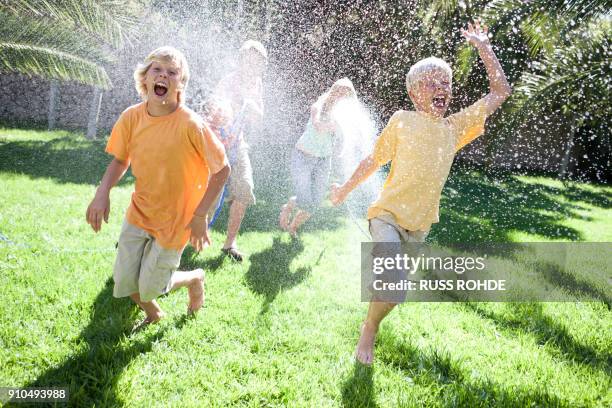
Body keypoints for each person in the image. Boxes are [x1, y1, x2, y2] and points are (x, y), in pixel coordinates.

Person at [330, 21, 511, 364]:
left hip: (420, 225)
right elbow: (373, 159)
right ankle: (368, 333)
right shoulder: (402, 120)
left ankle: (371, 323)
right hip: (385, 216)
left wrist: (484, 48)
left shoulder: (455, 128)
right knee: (391, 284)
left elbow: (500, 92)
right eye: (430, 83)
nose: (439, 87)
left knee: (393, 295)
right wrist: (343, 189)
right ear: (414, 94)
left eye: (445, 82)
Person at [85, 46, 230, 328]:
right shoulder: (131, 117)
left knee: (152, 285)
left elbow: (223, 170)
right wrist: (102, 193)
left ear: (180, 84)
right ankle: (154, 313)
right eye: (157, 70)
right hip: (140, 212)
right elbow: (120, 160)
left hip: (176, 220)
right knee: (125, 281)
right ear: (145, 78)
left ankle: (194, 278)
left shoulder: (191, 124)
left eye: (172, 72)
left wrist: (199, 216)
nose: (163, 75)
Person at [210, 40, 267, 262]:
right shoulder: (228, 81)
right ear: (241, 59)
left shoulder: (257, 83)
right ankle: (188, 237)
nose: (254, 66)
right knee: (210, 197)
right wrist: (235, 102)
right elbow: (214, 109)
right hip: (217, 145)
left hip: (238, 144)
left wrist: (250, 105)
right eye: (250, 60)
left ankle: (229, 244)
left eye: (259, 62)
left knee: (244, 188)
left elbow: (259, 116)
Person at [279, 77, 357, 236]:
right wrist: (334, 126)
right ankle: (288, 207)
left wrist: (342, 150)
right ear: (333, 92)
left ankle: (293, 226)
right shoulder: (318, 106)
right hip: (303, 156)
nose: (341, 96)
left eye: (346, 94)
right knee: (306, 199)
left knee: (315, 202)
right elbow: (318, 126)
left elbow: (343, 139)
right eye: (339, 92)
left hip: (323, 161)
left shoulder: (344, 117)